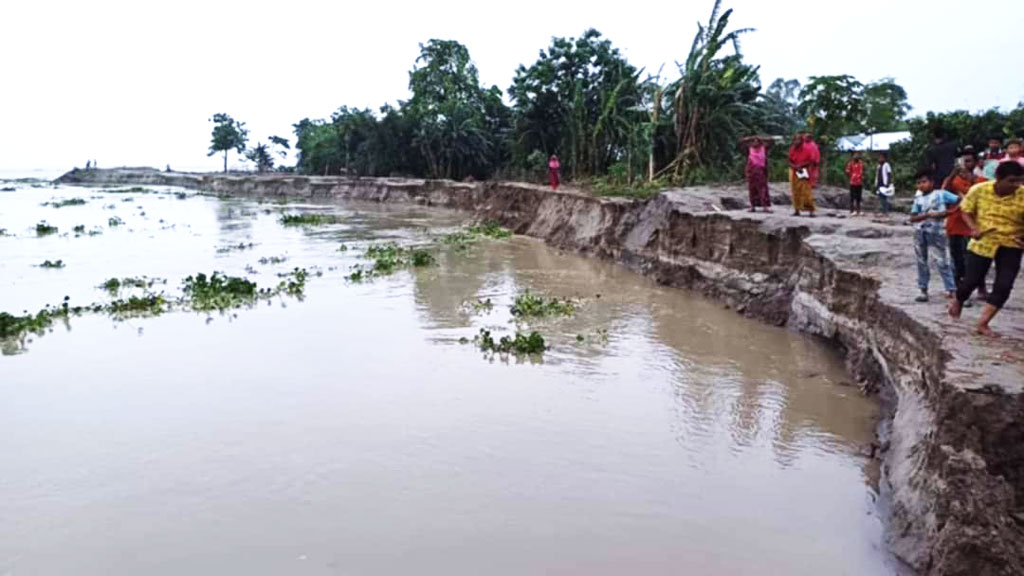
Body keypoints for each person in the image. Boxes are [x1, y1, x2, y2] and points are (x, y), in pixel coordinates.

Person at [948, 161, 1024, 336]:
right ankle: (959, 299)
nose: (1016, 185)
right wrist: (973, 228)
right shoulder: (979, 190)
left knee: (1004, 285)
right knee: (971, 281)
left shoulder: (1022, 195)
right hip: (984, 241)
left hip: (1012, 243)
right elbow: (965, 210)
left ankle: (983, 322)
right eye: (1011, 181)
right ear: (999, 178)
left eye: (1019, 181)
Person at [941, 150, 988, 303]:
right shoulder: (955, 181)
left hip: (973, 224)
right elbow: (943, 191)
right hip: (955, 222)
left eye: (969, 161)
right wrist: (952, 175)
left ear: (975, 162)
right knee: (957, 258)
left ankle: (981, 287)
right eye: (964, 162)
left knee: (975, 258)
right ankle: (958, 290)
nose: (966, 165)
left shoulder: (981, 181)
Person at [909, 170, 959, 303]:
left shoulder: (941, 194)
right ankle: (923, 289)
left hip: (937, 232)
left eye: (924, 182)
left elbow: (960, 201)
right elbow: (912, 218)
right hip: (920, 232)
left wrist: (948, 212)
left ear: (932, 182)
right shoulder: (918, 199)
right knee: (921, 261)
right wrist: (927, 215)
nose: (921, 185)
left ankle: (952, 290)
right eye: (918, 183)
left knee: (942, 261)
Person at [787, 132, 819, 217]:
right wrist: (794, 166)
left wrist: (801, 166)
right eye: (795, 140)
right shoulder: (792, 149)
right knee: (795, 191)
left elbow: (811, 160)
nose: (796, 142)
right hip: (794, 172)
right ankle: (797, 210)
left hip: (803, 171)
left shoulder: (807, 149)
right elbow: (789, 161)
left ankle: (810, 210)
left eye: (798, 140)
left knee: (806, 191)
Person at [740, 136, 773, 212]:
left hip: (761, 172)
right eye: (753, 141)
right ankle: (752, 206)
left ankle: (765, 206)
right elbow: (742, 142)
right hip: (751, 171)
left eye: (757, 141)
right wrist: (750, 138)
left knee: (762, 189)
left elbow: (771, 140)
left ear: (760, 142)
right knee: (752, 189)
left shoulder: (763, 149)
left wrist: (759, 137)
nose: (755, 143)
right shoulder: (749, 150)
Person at [845, 151, 866, 215]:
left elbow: (864, 171)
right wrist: (851, 175)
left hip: (859, 182)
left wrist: (862, 176)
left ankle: (858, 210)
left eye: (857, 155)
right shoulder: (850, 163)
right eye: (855, 155)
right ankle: (852, 210)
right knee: (852, 197)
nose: (856, 156)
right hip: (853, 182)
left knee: (858, 197)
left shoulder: (861, 163)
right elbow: (847, 170)